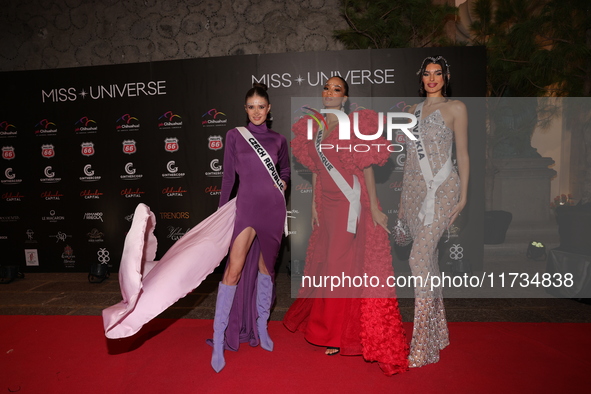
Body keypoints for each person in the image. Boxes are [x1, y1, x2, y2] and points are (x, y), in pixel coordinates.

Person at [283, 76, 409, 376]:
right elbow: (316, 167)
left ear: (345, 97)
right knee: (328, 265)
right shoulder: (313, 127)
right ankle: (326, 327)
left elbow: (365, 166)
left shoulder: (353, 124)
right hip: (326, 206)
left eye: (336, 89)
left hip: (349, 203)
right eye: (326, 88)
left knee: (339, 268)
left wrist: (375, 206)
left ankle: (338, 336)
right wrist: (314, 203)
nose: (329, 92)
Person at [210, 82, 290, 372]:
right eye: (251, 107)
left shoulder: (279, 140)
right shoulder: (234, 136)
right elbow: (228, 179)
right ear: (246, 110)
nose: (257, 111)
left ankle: (261, 327)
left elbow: (286, 169)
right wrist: (221, 214)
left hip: (272, 209)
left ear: (269, 110)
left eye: (261, 106)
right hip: (245, 209)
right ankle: (219, 338)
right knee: (233, 270)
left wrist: (283, 181)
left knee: (266, 270)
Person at [400, 56, 469, 368]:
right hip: (414, 191)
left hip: (443, 189)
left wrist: (464, 196)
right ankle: (440, 331)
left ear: (446, 76)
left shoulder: (456, 108)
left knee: (417, 260)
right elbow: (409, 161)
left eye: (437, 73)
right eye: (426, 74)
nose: (432, 79)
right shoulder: (412, 111)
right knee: (429, 260)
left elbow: (463, 155)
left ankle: (424, 344)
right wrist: (403, 206)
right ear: (421, 78)